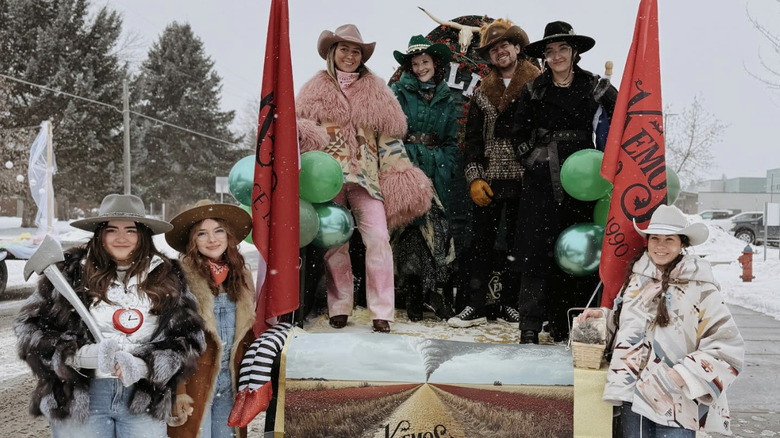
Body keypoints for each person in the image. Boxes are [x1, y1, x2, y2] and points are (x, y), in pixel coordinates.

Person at [14, 194, 206, 437]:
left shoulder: (167, 274)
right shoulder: (68, 273)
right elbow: (28, 329)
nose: (121, 237)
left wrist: (145, 365)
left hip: (143, 398)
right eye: (111, 230)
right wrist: (79, 355)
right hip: (79, 398)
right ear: (100, 234)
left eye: (130, 230)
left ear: (143, 235)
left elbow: (190, 339)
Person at [296, 24, 433, 333]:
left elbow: (390, 139)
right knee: (334, 242)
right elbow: (302, 135)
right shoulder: (314, 89)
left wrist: (399, 173)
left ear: (362, 56)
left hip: (366, 178)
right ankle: (339, 305)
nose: (350, 55)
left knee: (379, 239)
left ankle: (381, 311)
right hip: (327, 178)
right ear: (333, 52)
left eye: (356, 51)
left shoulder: (377, 91)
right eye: (344, 49)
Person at [578, 205, 744, 437]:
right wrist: (604, 317)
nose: (661, 245)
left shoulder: (701, 287)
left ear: (682, 243)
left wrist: (682, 375)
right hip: (633, 395)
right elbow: (627, 327)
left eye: (669, 239)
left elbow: (727, 345)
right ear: (647, 241)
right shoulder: (635, 280)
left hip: (677, 400)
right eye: (655, 238)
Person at [510, 21, 618, 343]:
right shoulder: (534, 89)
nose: (556, 56)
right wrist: (534, 159)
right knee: (537, 251)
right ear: (544, 56)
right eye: (550, 51)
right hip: (542, 182)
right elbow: (517, 134)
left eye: (563, 49)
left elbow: (623, 118)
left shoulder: (595, 86)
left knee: (578, 249)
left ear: (574, 52)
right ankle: (530, 325)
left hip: (584, 180)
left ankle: (570, 323)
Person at [448, 18, 539, 329]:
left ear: (517, 48)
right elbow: (472, 139)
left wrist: (534, 170)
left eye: (505, 45)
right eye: (493, 49)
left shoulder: (536, 84)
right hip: (489, 179)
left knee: (518, 245)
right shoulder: (482, 91)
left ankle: (511, 305)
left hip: (524, 176)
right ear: (488, 56)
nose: (500, 52)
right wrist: (474, 177)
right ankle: (475, 306)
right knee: (480, 243)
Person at [165, 201, 256, 438]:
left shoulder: (241, 276)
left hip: (232, 382)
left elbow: (247, 334)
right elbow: (171, 339)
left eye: (219, 231)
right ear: (193, 241)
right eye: (202, 234)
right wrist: (178, 390)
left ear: (229, 236)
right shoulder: (178, 277)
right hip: (194, 381)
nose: (212, 239)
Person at [389, 35, 458, 321]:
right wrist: (400, 165)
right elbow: (389, 133)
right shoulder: (397, 91)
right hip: (406, 167)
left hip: (436, 170)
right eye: (415, 64)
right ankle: (414, 296)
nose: (420, 68)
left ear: (435, 64)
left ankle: (434, 293)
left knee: (437, 232)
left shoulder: (446, 96)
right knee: (410, 232)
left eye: (425, 62)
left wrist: (445, 164)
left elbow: (451, 140)